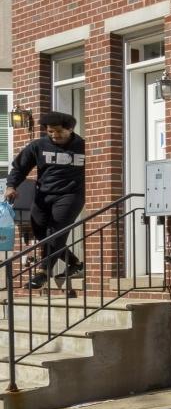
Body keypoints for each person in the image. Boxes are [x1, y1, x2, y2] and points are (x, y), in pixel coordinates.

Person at [5, 112, 87, 288]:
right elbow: (20, 168)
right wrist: (11, 186)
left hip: (71, 195)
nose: (54, 135)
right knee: (41, 232)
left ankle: (43, 272)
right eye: (50, 132)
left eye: (58, 131)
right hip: (43, 195)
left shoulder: (82, 146)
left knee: (56, 231)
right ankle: (75, 263)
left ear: (70, 129)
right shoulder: (38, 146)